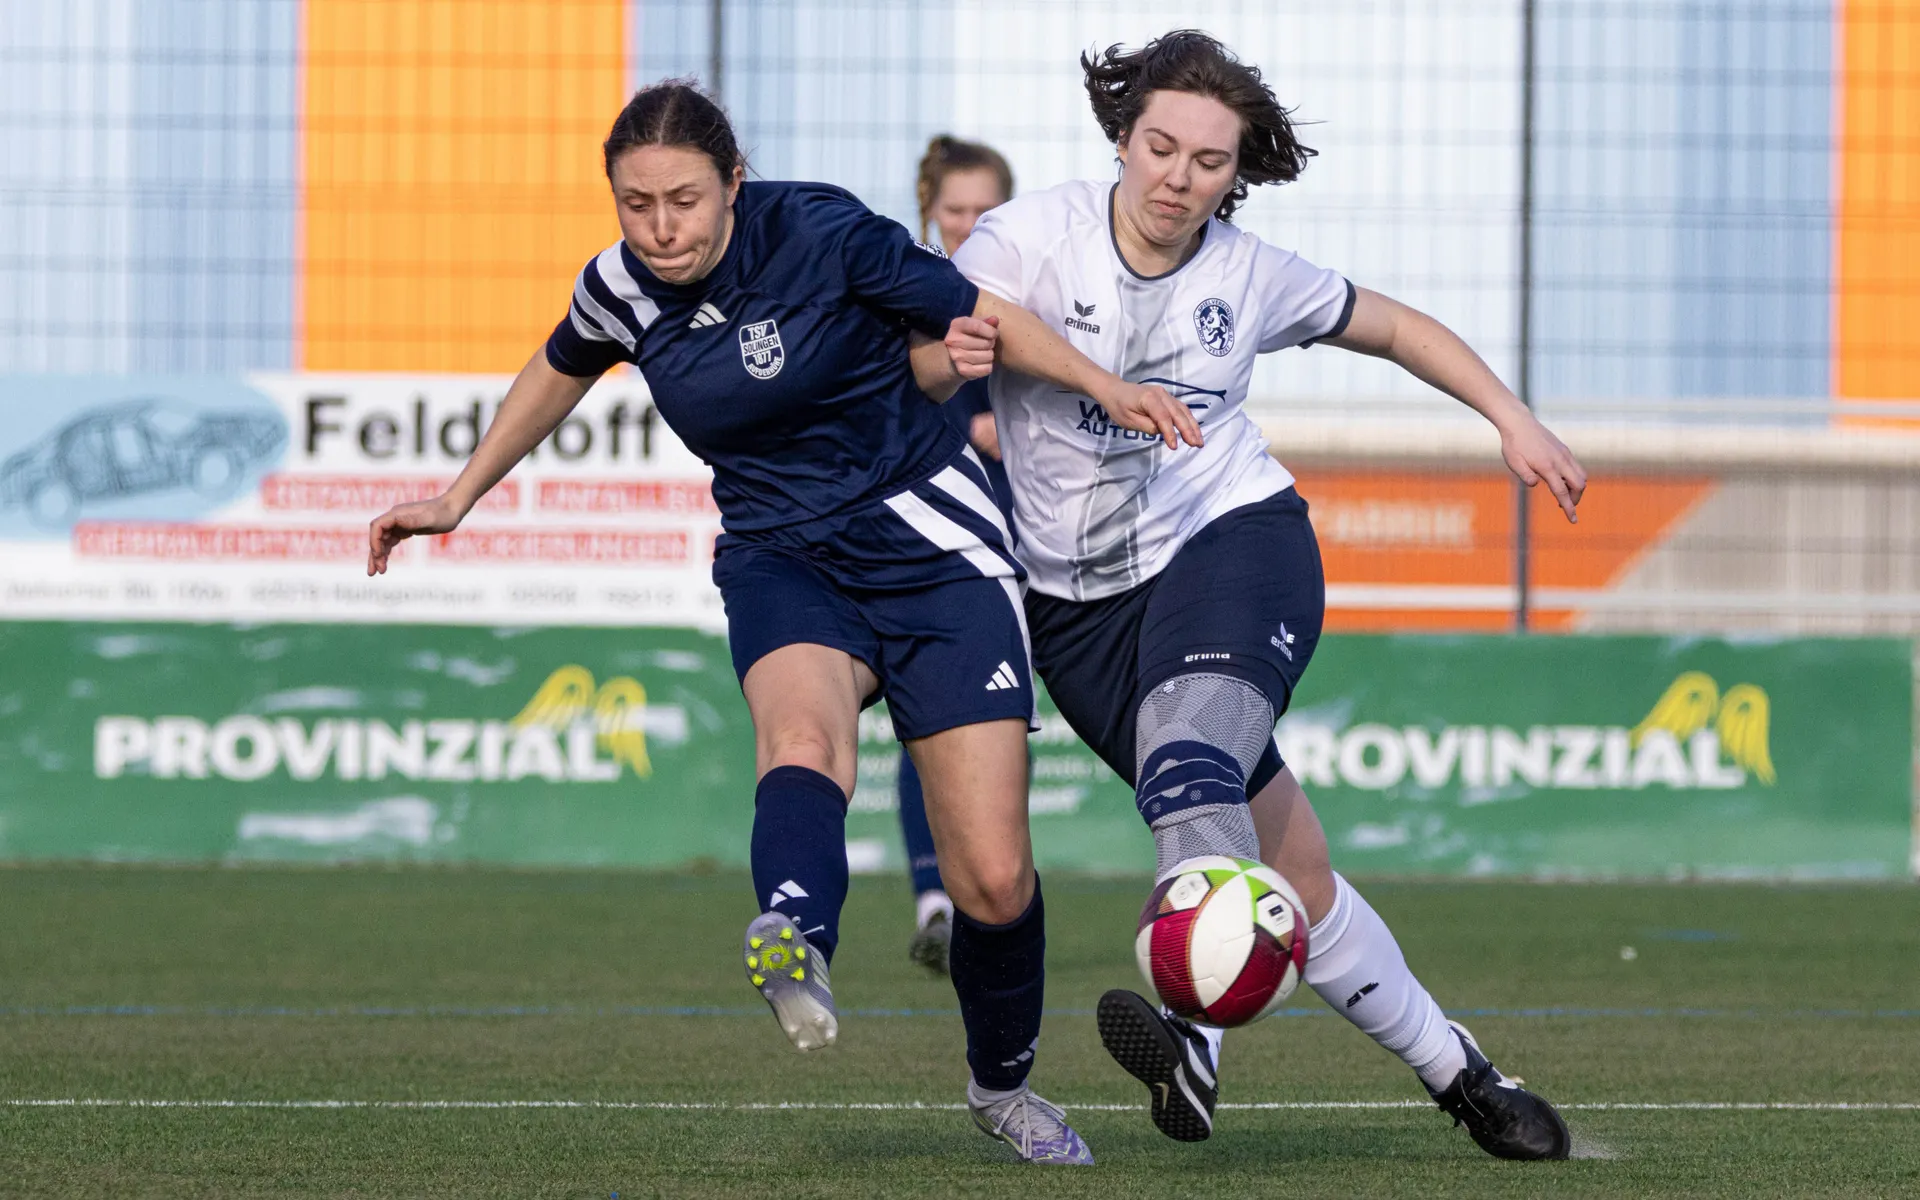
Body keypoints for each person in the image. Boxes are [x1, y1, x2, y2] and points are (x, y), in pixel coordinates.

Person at [364, 80, 1199, 1165]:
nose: (661, 228)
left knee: (992, 877)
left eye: (684, 201)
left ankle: (1003, 1090)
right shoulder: (621, 289)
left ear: (734, 185)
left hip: (931, 541)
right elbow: (556, 368)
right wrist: (457, 495)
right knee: (802, 741)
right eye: (635, 204)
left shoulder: (820, 230)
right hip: (780, 554)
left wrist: (1102, 382)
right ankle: (794, 932)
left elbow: (974, 320)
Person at [948, 31, 1585, 1160]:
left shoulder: (1247, 275)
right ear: (1122, 136)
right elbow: (972, 324)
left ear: (1236, 173)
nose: (1177, 178)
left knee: (1187, 760)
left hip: (1229, 540)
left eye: (1208, 160)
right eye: (1159, 147)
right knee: (1294, 870)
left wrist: (1510, 415)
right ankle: (1466, 1076)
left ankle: (1194, 1025)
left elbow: (1392, 327)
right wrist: (1096, 383)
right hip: (1077, 610)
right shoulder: (1028, 237)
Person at [894, 134, 1016, 976]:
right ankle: (936, 898)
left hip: (1030, 532)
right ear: (930, 215)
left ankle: (998, 892)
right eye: (956, 212)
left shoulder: (1036, 294)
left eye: (988, 212)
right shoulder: (907, 299)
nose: (971, 227)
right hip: (930, 538)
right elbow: (889, 408)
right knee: (925, 718)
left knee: (1007, 718)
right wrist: (966, 426)